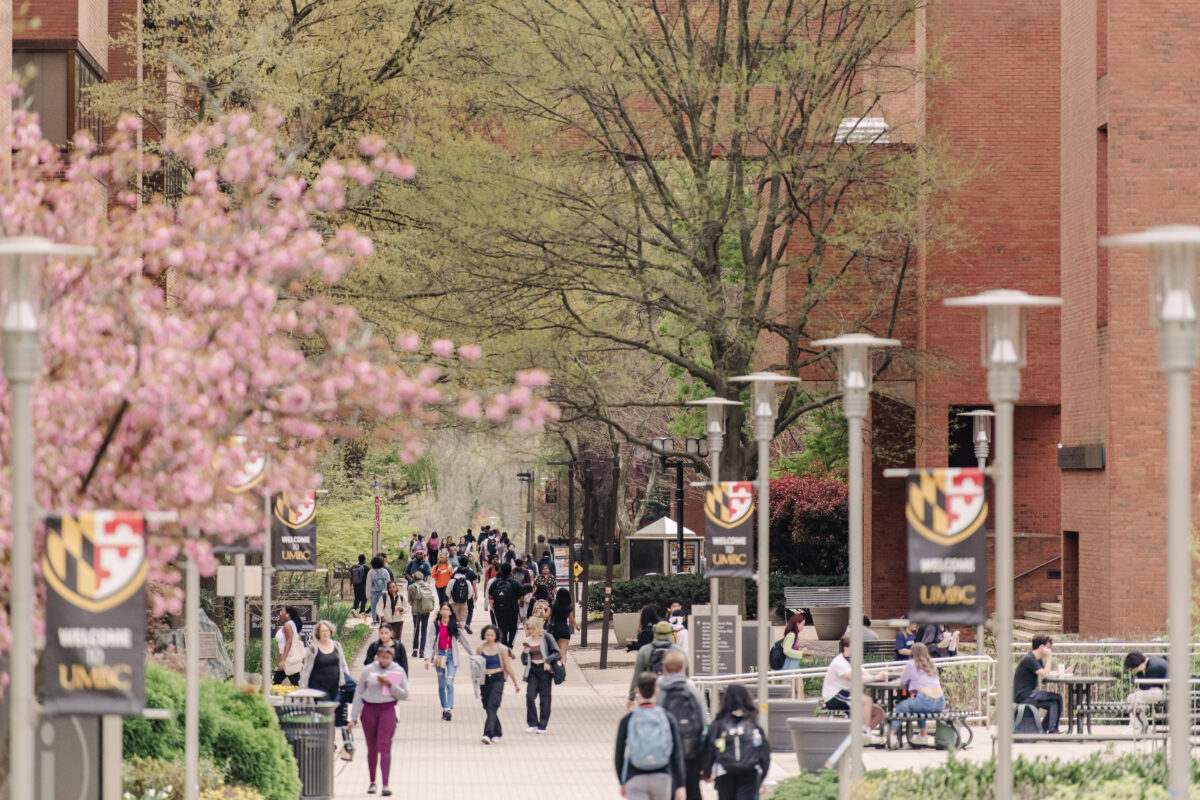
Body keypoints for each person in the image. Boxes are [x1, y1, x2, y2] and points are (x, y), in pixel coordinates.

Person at [615, 671, 686, 800]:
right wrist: (680, 784)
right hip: (662, 776)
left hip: (635, 777)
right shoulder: (668, 718)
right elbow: (676, 753)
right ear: (656, 690)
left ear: (637, 690)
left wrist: (622, 780)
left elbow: (619, 753)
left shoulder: (627, 720)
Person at [348, 645, 408, 797]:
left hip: (387, 709)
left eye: (388, 658)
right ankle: (372, 781)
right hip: (369, 709)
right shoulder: (369, 670)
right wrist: (353, 717)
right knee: (372, 747)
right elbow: (359, 693)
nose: (384, 661)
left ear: (392, 658)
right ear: (378, 657)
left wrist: (389, 684)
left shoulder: (397, 670)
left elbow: (404, 694)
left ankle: (386, 784)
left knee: (384, 745)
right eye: (382, 657)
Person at [700, 683, 771, 800]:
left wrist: (706, 772)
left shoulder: (718, 723)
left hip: (724, 772)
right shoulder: (753, 723)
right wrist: (761, 777)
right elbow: (764, 753)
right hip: (750, 772)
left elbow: (710, 749)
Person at [656, 650, 708, 800]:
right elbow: (703, 720)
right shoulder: (690, 687)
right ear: (683, 667)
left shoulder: (659, 687)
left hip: (667, 749)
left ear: (664, 667)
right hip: (690, 749)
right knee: (693, 789)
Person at [821, 636, 887, 743]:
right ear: (846, 648)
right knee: (866, 701)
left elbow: (867, 676)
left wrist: (881, 678)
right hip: (834, 696)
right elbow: (855, 678)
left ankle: (863, 737)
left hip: (847, 694)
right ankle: (863, 734)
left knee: (879, 713)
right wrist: (876, 677)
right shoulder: (839, 662)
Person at [891, 642, 943, 745]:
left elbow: (902, 681)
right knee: (919, 707)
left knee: (900, 707)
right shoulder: (931, 664)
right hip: (940, 702)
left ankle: (892, 736)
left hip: (924, 701)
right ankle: (923, 736)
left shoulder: (911, 664)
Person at [477, 624, 521, 744]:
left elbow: (507, 666)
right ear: (484, 635)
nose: (489, 637)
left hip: (498, 678)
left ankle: (488, 734)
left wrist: (515, 683)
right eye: (487, 634)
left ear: (496, 636)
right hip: (484, 680)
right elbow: (476, 666)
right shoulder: (480, 649)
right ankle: (498, 731)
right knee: (486, 705)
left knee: (493, 705)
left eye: (492, 635)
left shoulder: (502, 649)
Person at [628, 621, 688, 708]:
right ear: (670, 634)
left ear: (655, 633)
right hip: (674, 695)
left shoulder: (645, 651)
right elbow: (687, 674)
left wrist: (631, 697)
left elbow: (637, 675)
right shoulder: (679, 652)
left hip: (651, 695)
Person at [1013, 634, 1063, 734]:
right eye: (1048, 648)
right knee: (1057, 698)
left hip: (1030, 694)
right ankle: (1052, 730)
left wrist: (1063, 672)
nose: (1050, 650)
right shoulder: (1029, 659)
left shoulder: (1037, 659)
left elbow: (1046, 672)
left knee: (1054, 701)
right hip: (1024, 695)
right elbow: (1044, 674)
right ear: (1041, 647)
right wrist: (1049, 657)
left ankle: (1045, 730)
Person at [521, 616, 561, 733]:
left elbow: (557, 652)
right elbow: (524, 661)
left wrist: (547, 661)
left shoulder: (546, 637)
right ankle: (532, 722)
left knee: (545, 698)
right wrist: (525, 652)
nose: (530, 631)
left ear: (538, 628)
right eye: (529, 629)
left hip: (545, 671)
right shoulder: (527, 641)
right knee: (530, 696)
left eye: (533, 628)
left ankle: (542, 725)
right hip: (532, 670)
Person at [427, 603, 463, 721]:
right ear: (440, 611)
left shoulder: (454, 625)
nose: (445, 611)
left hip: (452, 656)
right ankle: (444, 707)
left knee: (449, 682)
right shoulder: (436, 625)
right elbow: (429, 641)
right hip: (439, 656)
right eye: (443, 609)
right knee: (442, 685)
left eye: (448, 609)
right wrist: (427, 658)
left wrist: (474, 655)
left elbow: (463, 640)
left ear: (451, 612)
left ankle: (448, 708)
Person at [1124, 651, 1168, 733]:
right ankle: (1134, 725)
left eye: (1133, 668)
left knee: (1138, 696)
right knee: (1131, 697)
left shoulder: (1152, 667)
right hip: (1164, 690)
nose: (1134, 670)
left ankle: (1141, 727)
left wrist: (1139, 672)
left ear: (1137, 664)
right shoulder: (1152, 662)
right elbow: (1147, 686)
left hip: (1168, 692)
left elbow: (1145, 686)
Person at [489, 562, 529, 648]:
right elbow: (522, 596)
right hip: (512, 609)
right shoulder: (515, 583)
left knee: (502, 627)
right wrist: (518, 603)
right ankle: (510, 643)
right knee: (513, 628)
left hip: (499, 609)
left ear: (501, 571)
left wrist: (492, 607)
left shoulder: (496, 582)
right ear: (510, 571)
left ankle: (504, 643)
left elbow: (491, 595)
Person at [273, 605, 305, 686]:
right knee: (277, 682)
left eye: (282, 612)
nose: (280, 614)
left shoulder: (287, 625)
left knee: (277, 683)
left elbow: (288, 643)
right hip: (289, 659)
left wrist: (282, 661)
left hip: (288, 660)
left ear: (287, 614)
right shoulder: (293, 626)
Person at [407, 569, 436, 656]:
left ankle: (415, 650)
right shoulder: (427, 586)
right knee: (424, 630)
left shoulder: (411, 587)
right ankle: (422, 651)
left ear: (413, 578)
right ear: (422, 578)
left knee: (416, 630)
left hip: (416, 611)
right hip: (426, 610)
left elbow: (410, 601)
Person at [448, 561, 478, 634]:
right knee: (464, 617)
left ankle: (455, 631)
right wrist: (468, 597)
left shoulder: (453, 580)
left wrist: (450, 598)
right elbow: (472, 588)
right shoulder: (468, 578)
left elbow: (448, 590)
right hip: (464, 600)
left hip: (454, 601)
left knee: (454, 616)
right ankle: (465, 626)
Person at [550, 588, 578, 660]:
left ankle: (557, 668)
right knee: (563, 653)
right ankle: (562, 668)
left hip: (554, 629)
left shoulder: (553, 605)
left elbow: (547, 616)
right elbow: (572, 620)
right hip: (565, 629)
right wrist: (577, 626)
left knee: (556, 653)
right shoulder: (569, 606)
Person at [365, 556, 389, 625]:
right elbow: (388, 582)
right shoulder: (385, 571)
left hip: (374, 591)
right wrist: (388, 592)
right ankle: (383, 619)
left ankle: (374, 620)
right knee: (383, 606)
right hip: (383, 591)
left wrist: (367, 594)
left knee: (374, 606)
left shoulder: (371, 572)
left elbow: (368, 584)